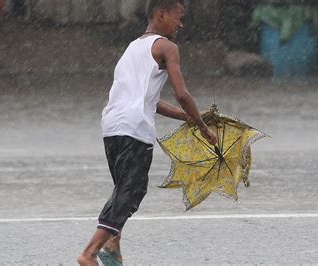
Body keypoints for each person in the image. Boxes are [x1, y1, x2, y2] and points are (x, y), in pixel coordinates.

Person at [77, 0, 217, 265]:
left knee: (126, 189)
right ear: (161, 14)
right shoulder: (168, 47)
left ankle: (113, 247)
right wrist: (202, 126)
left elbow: (149, 100)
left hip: (112, 127)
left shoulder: (133, 48)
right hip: (135, 129)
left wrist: (187, 117)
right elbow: (181, 93)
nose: (181, 23)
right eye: (179, 16)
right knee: (131, 191)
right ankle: (89, 253)